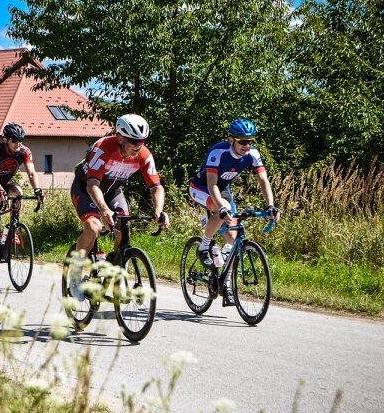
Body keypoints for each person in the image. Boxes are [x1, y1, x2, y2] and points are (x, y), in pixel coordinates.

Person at [188, 118, 280, 304]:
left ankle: (226, 285)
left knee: (231, 236)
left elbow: (263, 181)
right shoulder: (218, 151)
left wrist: (270, 205)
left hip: (223, 190)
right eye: (243, 141)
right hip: (201, 186)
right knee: (221, 209)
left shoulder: (253, 154)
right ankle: (204, 246)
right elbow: (211, 183)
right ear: (232, 140)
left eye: (250, 141)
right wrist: (221, 207)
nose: (247, 145)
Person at [71, 113, 169, 262]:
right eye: (134, 141)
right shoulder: (103, 148)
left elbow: (156, 187)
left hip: (112, 191)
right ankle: (76, 272)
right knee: (93, 228)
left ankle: (115, 266)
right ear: (120, 138)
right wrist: (104, 210)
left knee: (124, 228)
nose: (138, 145)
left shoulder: (144, 155)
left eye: (142, 140)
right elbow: (92, 185)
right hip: (86, 188)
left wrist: (158, 209)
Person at [0, 122, 45, 279]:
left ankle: (13, 227)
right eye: (14, 141)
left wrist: (37, 190)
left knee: (18, 192)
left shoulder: (24, 152)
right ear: (6, 140)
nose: (18, 144)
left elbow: (31, 173)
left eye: (20, 141)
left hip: (6, 181)